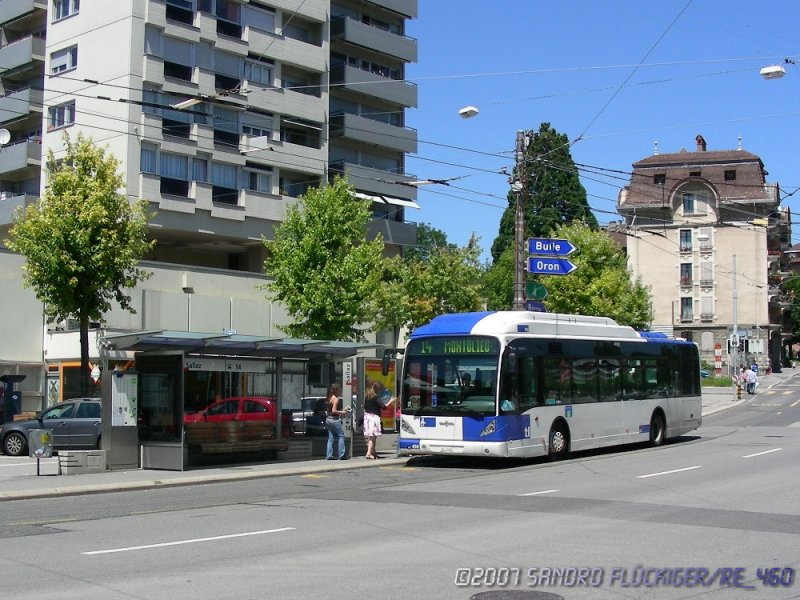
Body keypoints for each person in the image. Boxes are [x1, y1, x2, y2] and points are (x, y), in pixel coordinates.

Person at [363, 383, 393, 459]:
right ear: (377, 390)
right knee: (372, 437)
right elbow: (383, 407)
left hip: (367, 417)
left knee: (373, 436)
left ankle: (373, 452)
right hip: (374, 418)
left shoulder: (368, 397)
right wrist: (391, 401)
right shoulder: (376, 397)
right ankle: (368, 453)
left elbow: (364, 406)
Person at [325, 383, 349, 460]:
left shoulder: (330, 398)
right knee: (341, 436)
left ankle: (329, 455)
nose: (340, 391)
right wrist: (343, 412)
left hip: (328, 419)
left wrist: (342, 410)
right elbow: (334, 411)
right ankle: (342, 455)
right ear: (336, 390)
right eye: (339, 390)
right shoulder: (336, 399)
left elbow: (330, 410)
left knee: (331, 438)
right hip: (334, 420)